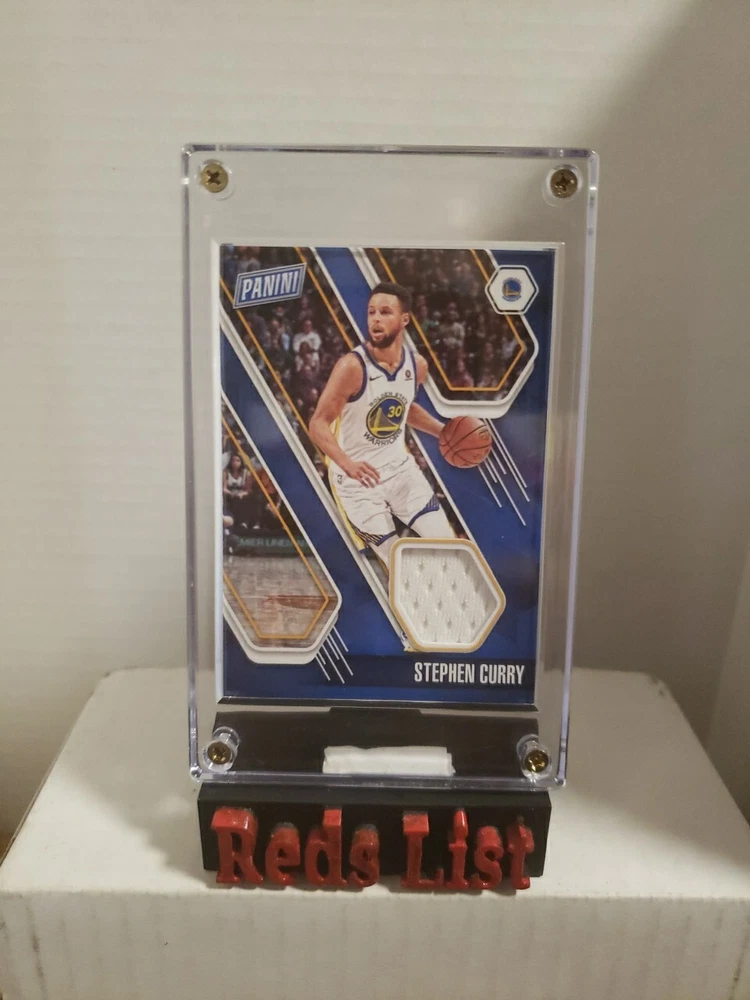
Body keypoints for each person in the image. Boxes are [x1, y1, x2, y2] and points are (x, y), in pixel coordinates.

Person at [310, 282, 455, 565]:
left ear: (405, 319)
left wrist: (443, 431)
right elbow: (317, 423)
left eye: (385, 312)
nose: (375, 319)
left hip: (400, 470)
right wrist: (347, 464)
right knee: (397, 564)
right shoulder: (352, 367)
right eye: (371, 312)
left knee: (447, 547)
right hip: (357, 480)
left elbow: (402, 408)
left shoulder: (417, 366)